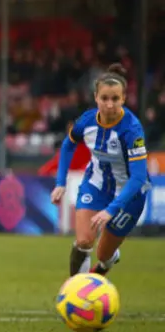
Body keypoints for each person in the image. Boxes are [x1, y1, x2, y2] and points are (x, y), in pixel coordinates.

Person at [51, 63, 151, 276]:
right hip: (96, 184)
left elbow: (139, 177)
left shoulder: (132, 130)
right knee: (83, 241)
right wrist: (60, 182)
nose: (109, 104)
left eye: (115, 99)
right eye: (104, 98)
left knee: (103, 254)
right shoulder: (87, 121)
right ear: (96, 98)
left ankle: (108, 261)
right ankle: (77, 292)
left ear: (123, 99)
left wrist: (110, 210)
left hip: (130, 195)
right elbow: (69, 144)